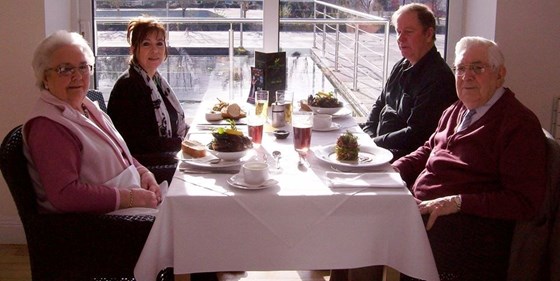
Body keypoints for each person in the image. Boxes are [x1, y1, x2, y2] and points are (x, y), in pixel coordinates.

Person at [392, 36, 546, 280]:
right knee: (360, 216)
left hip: (465, 232)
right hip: (424, 209)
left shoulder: (518, 124)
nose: (467, 76)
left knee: (372, 230)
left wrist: (458, 202)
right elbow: (429, 148)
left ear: (500, 74)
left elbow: (524, 201)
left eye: (478, 67)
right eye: (461, 68)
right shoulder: (457, 109)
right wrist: (392, 170)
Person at [23, 30, 161, 214]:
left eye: (83, 67)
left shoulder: (86, 105)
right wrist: (131, 197)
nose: (77, 76)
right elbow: (65, 195)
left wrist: (143, 172)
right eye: (65, 69)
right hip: (99, 223)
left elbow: (118, 152)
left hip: (131, 204)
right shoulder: (48, 126)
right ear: (45, 78)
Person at [360, 3, 457, 161]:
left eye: (408, 32)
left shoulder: (439, 78)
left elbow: (416, 135)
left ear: (428, 34)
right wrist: (368, 135)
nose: (400, 38)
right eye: (398, 32)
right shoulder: (402, 64)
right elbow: (379, 104)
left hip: (403, 158)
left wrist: (370, 144)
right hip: (379, 148)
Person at [107, 16, 188, 178]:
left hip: (163, 156)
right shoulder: (129, 86)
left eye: (159, 43)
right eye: (146, 44)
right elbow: (136, 144)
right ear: (133, 49)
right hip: (145, 169)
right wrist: (182, 144)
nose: (155, 50)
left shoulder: (156, 82)